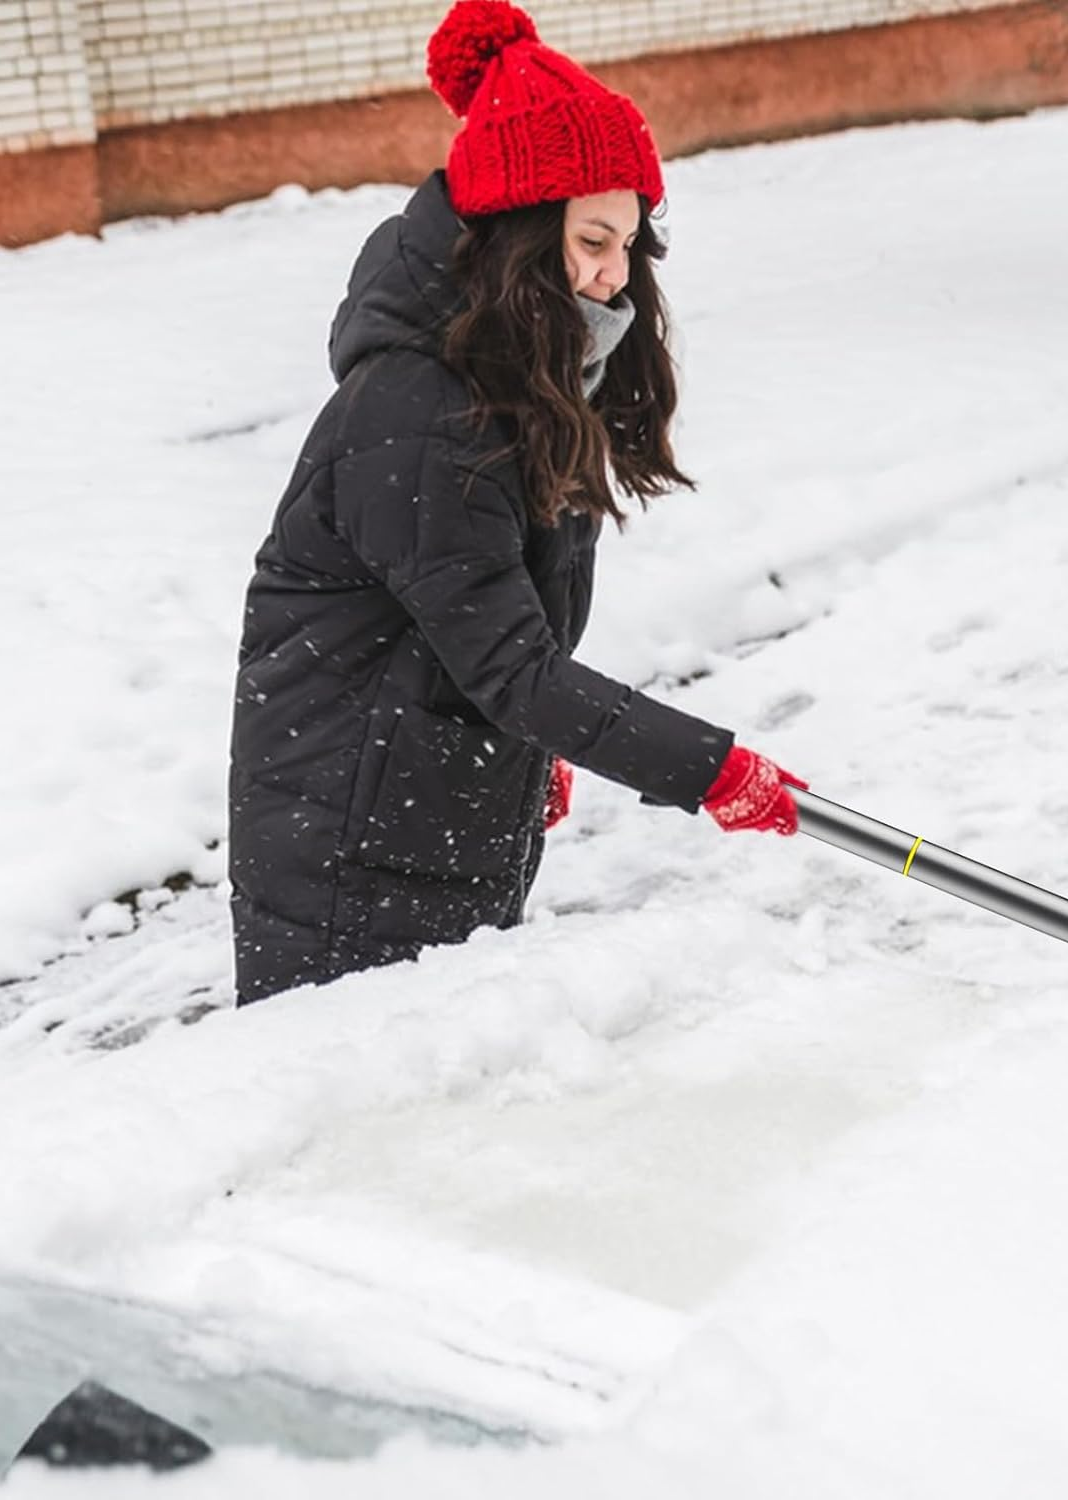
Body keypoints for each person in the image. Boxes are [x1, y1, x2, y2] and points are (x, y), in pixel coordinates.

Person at [227, 0, 807, 1006]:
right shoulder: (416, 413)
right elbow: (510, 664)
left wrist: (526, 755)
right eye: (591, 239)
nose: (613, 276)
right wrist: (710, 770)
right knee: (347, 1137)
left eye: (628, 246)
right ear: (518, 227)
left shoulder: (524, 383)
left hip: (422, 811)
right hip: (346, 852)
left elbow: (495, 632)